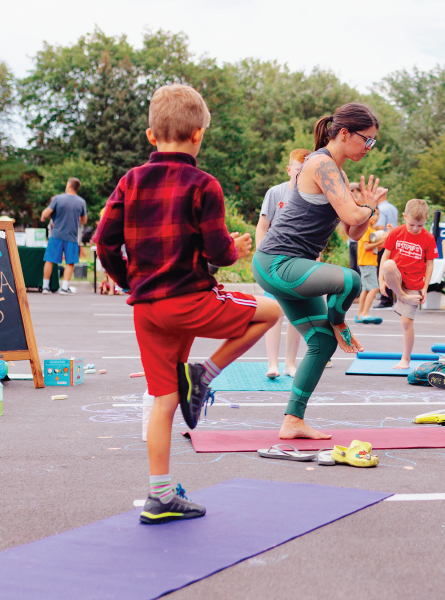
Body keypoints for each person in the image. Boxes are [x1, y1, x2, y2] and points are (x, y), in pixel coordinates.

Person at [94, 84, 281, 524]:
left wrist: (130, 283)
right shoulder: (204, 184)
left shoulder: (130, 180)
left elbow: (103, 244)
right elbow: (218, 253)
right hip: (190, 299)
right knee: (270, 310)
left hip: (147, 308)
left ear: (150, 136)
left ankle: (160, 495)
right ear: (199, 135)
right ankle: (203, 374)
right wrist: (233, 249)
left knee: (163, 399)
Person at [254, 102, 385, 440]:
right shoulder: (321, 164)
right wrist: (368, 207)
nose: (370, 148)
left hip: (290, 266)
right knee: (350, 280)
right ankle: (338, 320)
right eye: (367, 140)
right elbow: (355, 216)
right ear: (344, 133)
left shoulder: (337, 174)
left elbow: (352, 231)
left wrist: (365, 210)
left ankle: (292, 420)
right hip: (278, 262)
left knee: (321, 341)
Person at [256, 148, 311, 378]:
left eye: (305, 172)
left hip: (299, 262)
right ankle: (273, 364)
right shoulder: (275, 193)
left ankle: (290, 363)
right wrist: (260, 256)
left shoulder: (311, 197)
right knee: (274, 312)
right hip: (273, 261)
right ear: (290, 170)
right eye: (298, 171)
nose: (301, 176)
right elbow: (262, 226)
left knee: (296, 314)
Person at [378, 198, 438, 369]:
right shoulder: (396, 233)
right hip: (396, 278)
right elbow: (385, 257)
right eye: (412, 225)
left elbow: (430, 263)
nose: (415, 229)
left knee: (406, 322)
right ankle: (402, 295)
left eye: (420, 225)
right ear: (404, 217)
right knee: (389, 265)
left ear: (426, 219)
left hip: (414, 282)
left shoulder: (428, 238)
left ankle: (406, 358)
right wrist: (381, 281)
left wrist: (425, 288)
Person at [41, 177, 87, 295]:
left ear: (69, 185)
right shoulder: (81, 202)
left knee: (50, 260)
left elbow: (46, 213)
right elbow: (84, 220)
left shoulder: (58, 198)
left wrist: (45, 216)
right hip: (71, 235)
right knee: (70, 262)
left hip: (56, 234)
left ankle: (45, 287)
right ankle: (64, 287)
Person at [355, 211, 384, 323]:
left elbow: (376, 249)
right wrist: (381, 241)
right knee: (374, 288)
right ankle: (365, 314)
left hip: (369, 262)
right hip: (367, 263)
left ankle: (359, 314)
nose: (376, 217)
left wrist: (381, 242)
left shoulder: (372, 230)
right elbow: (366, 246)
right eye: (373, 214)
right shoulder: (366, 229)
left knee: (366, 289)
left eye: (378, 215)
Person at [374, 191, 399, 308]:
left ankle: (386, 299)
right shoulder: (393, 208)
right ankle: (392, 298)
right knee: (391, 269)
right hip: (394, 241)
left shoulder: (381, 208)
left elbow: (379, 226)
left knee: (383, 268)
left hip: (384, 242)